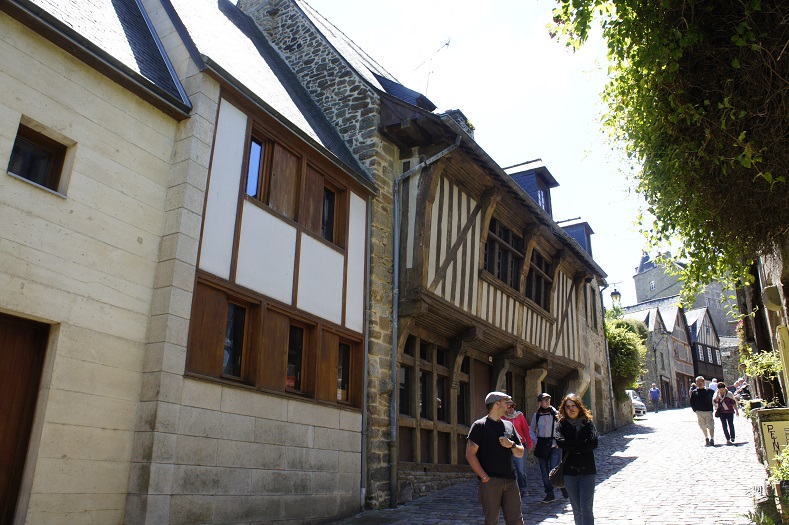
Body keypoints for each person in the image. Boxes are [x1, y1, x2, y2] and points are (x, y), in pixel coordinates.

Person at [466, 391, 525, 525]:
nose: (510, 406)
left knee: (516, 520)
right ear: (497, 404)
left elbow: (520, 453)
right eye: (507, 403)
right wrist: (484, 478)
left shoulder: (509, 425)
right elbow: (470, 455)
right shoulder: (479, 426)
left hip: (510, 481)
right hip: (490, 482)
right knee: (492, 521)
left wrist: (512, 445)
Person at [555, 393, 599, 525]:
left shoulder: (588, 424)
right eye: (567, 406)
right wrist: (582, 443)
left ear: (579, 407)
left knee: (586, 508)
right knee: (576, 509)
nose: (570, 409)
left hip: (587, 471)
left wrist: (572, 445)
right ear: (564, 409)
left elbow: (593, 443)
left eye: (573, 405)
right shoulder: (561, 425)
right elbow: (561, 442)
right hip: (570, 472)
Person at [529, 393, 568, 503]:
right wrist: (536, 441)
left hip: (554, 445)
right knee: (544, 471)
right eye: (545, 400)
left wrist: (558, 441)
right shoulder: (536, 415)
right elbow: (531, 430)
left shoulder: (556, 414)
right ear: (540, 402)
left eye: (548, 400)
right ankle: (549, 494)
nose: (547, 402)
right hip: (542, 445)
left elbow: (562, 428)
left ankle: (562, 486)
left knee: (554, 469)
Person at [504, 400, 534, 497]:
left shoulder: (519, 416)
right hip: (506, 446)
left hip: (519, 445)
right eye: (508, 406)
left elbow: (526, 430)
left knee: (521, 470)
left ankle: (523, 488)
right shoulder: (502, 417)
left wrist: (529, 444)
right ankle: (509, 490)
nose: (511, 408)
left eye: (512, 406)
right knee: (508, 469)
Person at [689, 376, 716, 446]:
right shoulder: (694, 392)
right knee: (702, 426)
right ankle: (706, 438)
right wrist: (695, 410)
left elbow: (715, 399)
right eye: (697, 382)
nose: (699, 383)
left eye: (701, 382)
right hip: (699, 412)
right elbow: (692, 402)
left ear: (704, 382)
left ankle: (712, 438)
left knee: (711, 425)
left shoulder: (710, 391)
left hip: (708, 411)